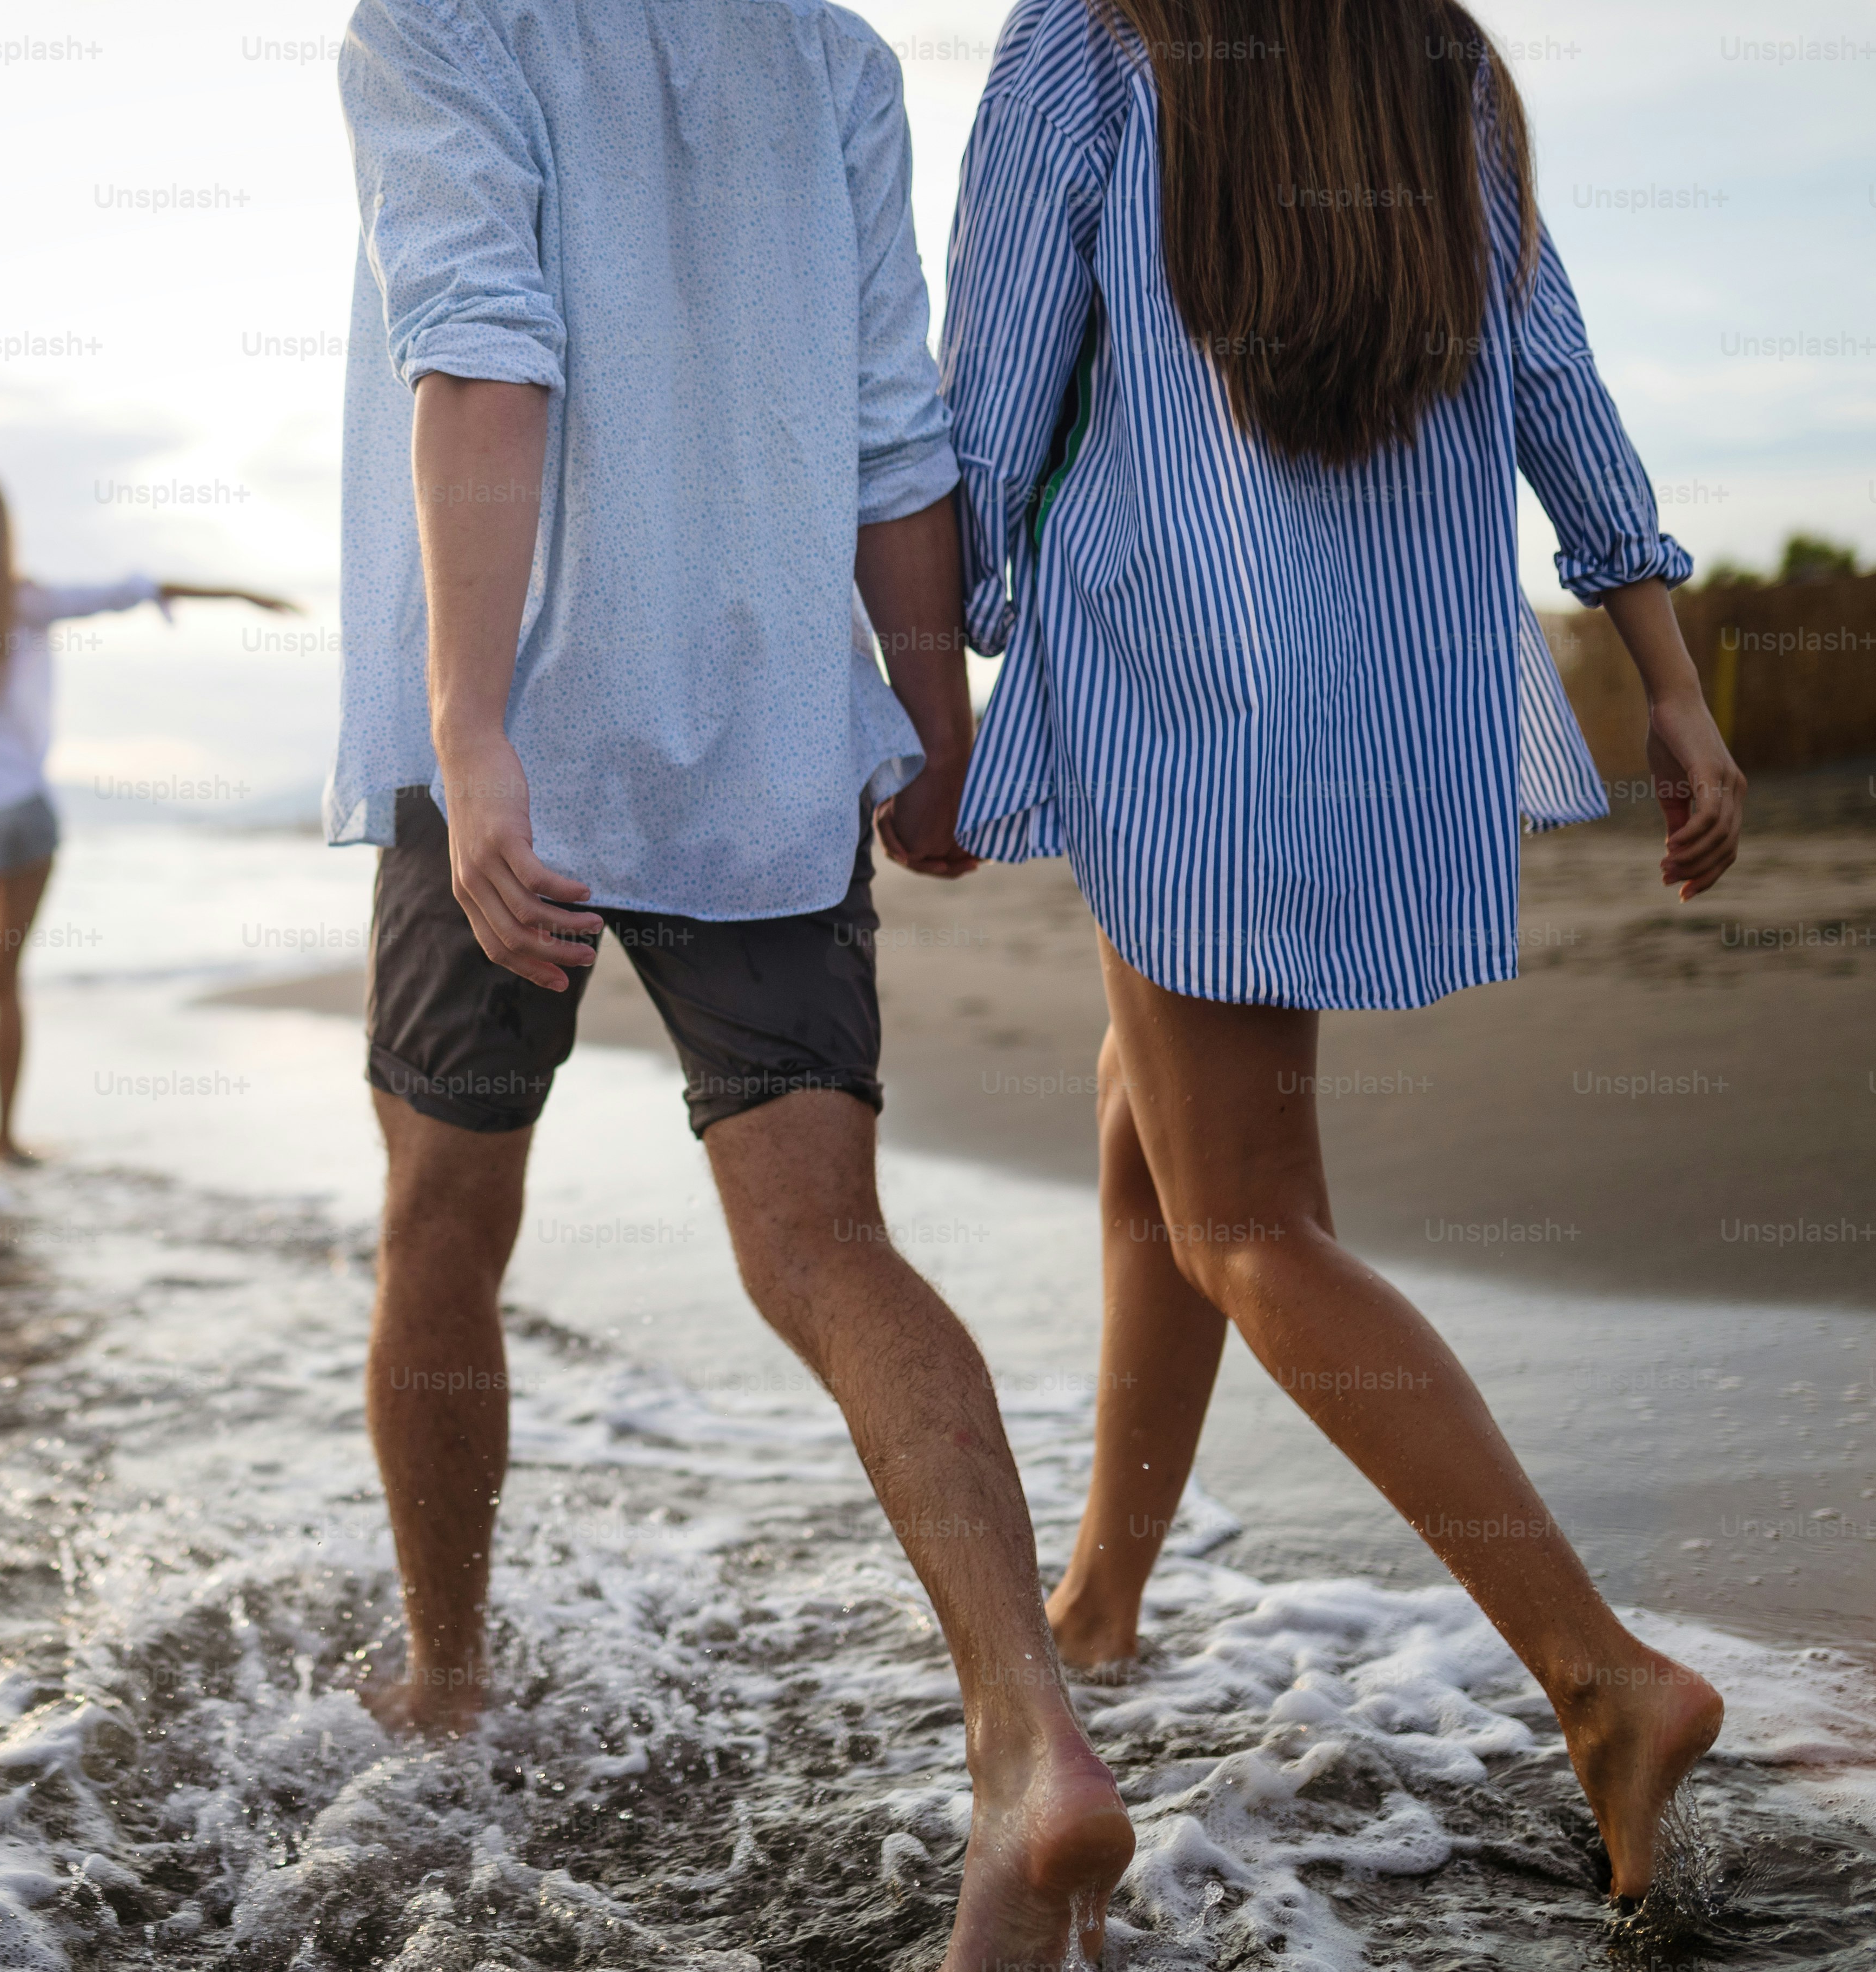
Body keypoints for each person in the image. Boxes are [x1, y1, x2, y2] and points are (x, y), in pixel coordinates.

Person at [338, 6, 1136, 1966]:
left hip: (518, 740)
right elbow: (893, 424)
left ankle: (446, 1678)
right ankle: (1027, 1734)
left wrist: (472, 733)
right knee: (826, 1245)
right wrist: (930, 717)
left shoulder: (442, 21)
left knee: (442, 1226)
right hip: (769, 722)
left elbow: (481, 349)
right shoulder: (828, 55)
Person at [934, 0, 1743, 1911]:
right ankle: (1105, 1596)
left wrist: (927, 672)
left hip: (1182, 683)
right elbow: (1553, 372)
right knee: (1149, 1106)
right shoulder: (1429, 53)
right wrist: (1671, 679)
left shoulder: (1095, 39)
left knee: (1248, 1215)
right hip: (1384, 699)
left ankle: (1601, 1674)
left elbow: (985, 398)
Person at [0, 470, 295, 1165]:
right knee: (6, 986)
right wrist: (241, 595)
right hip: (26, 817)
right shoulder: (25, 601)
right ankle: (6, 1138)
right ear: (1, 529)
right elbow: (127, 591)